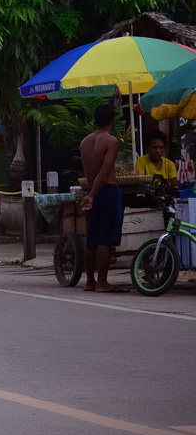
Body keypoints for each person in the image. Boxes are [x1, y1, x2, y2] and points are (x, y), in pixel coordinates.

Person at [80, 101, 124, 293]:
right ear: (112, 121)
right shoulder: (111, 141)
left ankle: (90, 281)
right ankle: (103, 282)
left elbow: (91, 172)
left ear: (94, 121)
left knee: (92, 238)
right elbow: (105, 172)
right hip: (105, 191)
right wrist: (94, 195)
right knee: (105, 239)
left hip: (91, 189)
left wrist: (90, 194)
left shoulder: (85, 142)